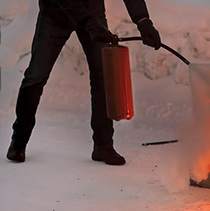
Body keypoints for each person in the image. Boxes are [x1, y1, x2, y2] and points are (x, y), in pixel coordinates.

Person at [6, 0, 161, 165]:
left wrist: (144, 21)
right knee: (35, 77)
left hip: (92, 11)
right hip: (55, 14)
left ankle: (103, 146)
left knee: (103, 76)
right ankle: (19, 142)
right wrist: (89, 23)